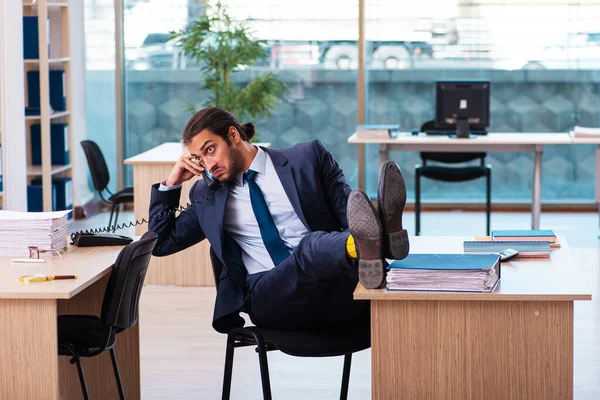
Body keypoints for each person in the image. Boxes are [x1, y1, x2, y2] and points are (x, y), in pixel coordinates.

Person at [148, 107, 409, 334]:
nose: (208, 165)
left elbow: (350, 215)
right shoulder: (207, 196)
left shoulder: (307, 159)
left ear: (233, 135)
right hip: (270, 298)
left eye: (210, 150)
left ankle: (372, 242)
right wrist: (171, 184)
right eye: (199, 158)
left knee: (327, 244)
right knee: (309, 248)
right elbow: (160, 243)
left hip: (331, 290)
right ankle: (380, 239)